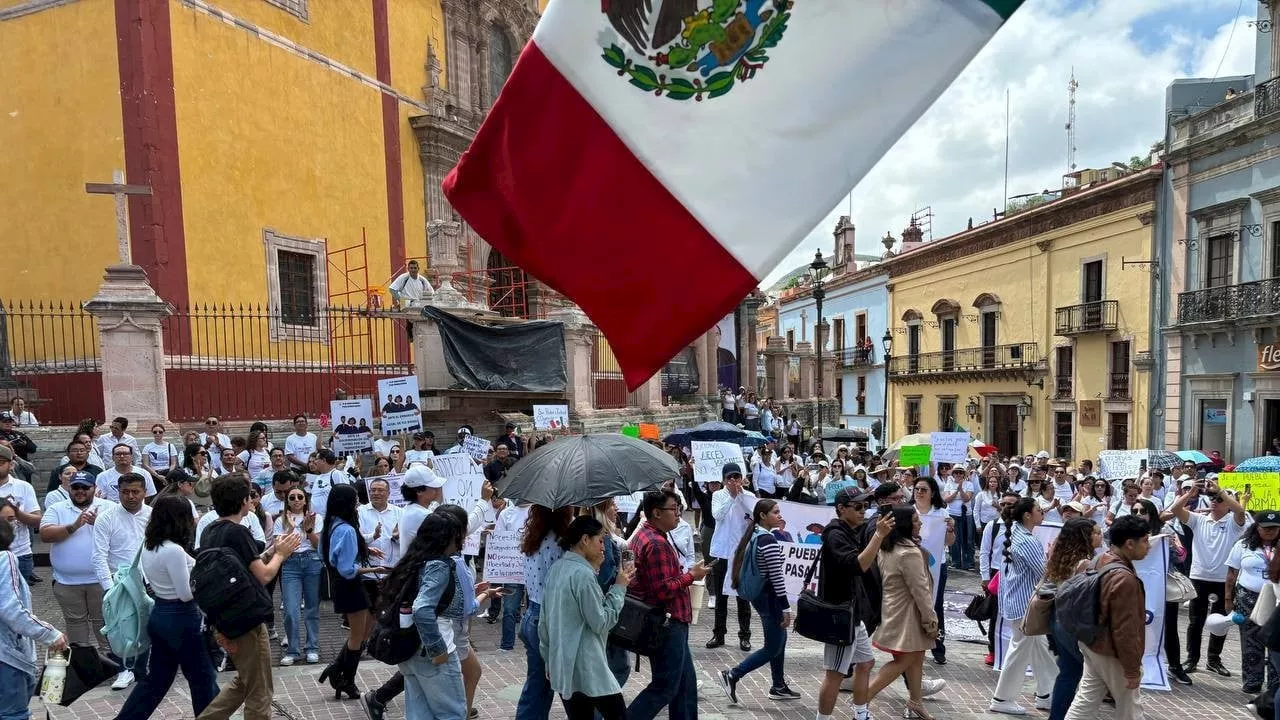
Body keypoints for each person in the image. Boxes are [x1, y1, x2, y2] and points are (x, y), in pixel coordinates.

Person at [196, 474, 301, 720]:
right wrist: (282, 555)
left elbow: (245, 570)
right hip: (247, 620)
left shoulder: (211, 530)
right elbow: (264, 576)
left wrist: (272, 550)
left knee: (245, 680)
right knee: (260, 690)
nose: (253, 500)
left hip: (225, 616)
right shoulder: (238, 532)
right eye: (250, 496)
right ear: (244, 501)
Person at [114, 495, 219, 719]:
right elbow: (185, 594)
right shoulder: (173, 551)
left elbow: (185, 569)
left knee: (157, 679)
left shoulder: (150, 546)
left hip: (160, 614)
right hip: (182, 618)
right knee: (203, 678)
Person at [626, 490, 713, 720]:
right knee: (665, 686)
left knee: (685, 686)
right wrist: (690, 576)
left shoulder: (645, 535)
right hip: (667, 622)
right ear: (656, 513)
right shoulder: (656, 544)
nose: (678, 515)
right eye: (673, 509)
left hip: (668, 621)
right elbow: (662, 589)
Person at [539, 516, 632, 720]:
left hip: (564, 664)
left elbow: (544, 624)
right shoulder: (582, 574)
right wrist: (619, 588)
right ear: (585, 539)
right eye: (600, 541)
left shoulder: (557, 569)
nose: (603, 548)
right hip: (589, 667)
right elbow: (600, 622)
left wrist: (549, 660)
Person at [815, 489, 895, 720]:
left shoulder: (850, 530)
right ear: (842, 508)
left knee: (866, 662)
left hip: (853, 612)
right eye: (857, 507)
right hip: (840, 614)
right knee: (835, 674)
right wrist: (878, 536)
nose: (863, 511)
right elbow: (859, 565)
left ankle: (861, 714)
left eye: (865, 506)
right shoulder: (835, 535)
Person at [1064, 515, 1151, 720]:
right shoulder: (1124, 579)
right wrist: (1131, 670)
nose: (1149, 546)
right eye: (1145, 540)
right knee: (1131, 709)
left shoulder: (1099, 560)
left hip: (1091, 642)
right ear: (1129, 544)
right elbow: (1125, 629)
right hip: (1111, 651)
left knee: (1085, 702)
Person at [716, 499, 800, 705]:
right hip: (770, 599)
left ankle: (778, 685)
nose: (779, 515)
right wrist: (786, 607)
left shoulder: (755, 535)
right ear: (763, 516)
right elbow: (777, 578)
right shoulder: (767, 540)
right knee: (772, 647)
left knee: (779, 641)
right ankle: (733, 675)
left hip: (763, 598)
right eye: (775, 512)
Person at [1169, 477, 1248, 677]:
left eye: (1218, 499)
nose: (1214, 500)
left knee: (1220, 622)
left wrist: (1221, 491)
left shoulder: (1233, 522)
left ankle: (1214, 659)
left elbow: (1240, 511)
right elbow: (1176, 510)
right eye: (1211, 498)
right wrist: (1190, 493)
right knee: (1196, 621)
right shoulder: (1198, 519)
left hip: (1223, 580)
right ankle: (1192, 659)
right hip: (1199, 577)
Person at [866, 505, 937, 720]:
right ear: (906, 524)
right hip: (908, 614)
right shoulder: (908, 552)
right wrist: (930, 619)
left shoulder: (888, 547)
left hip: (895, 610)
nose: (920, 523)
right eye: (915, 521)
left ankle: (916, 702)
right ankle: (864, 697)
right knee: (906, 659)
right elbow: (920, 590)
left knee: (916, 658)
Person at [989, 497, 1057, 715]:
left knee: (1040, 647)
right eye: (1038, 510)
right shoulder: (1027, 540)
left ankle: (1047, 693)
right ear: (1028, 515)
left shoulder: (1016, 533)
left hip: (1019, 601)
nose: (1042, 512)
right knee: (1020, 650)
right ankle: (1002, 698)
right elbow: (1045, 573)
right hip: (1026, 604)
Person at [0, 515, 68, 720]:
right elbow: (11, 609)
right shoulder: (5, 558)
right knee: (14, 714)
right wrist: (50, 634)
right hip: (6, 657)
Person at [319, 484, 382, 700]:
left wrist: (363, 549)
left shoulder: (331, 526)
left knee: (363, 632)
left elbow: (326, 555)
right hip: (350, 585)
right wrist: (373, 568)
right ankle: (348, 681)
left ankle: (336, 669)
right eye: (355, 499)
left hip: (343, 585)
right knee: (357, 636)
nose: (358, 503)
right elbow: (347, 569)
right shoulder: (346, 529)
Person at [92, 472, 153, 690]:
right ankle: (123, 670)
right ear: (118, 492)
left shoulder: (153, 516)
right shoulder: (106, 518)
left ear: (145, 492)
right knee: (119, 629)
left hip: (148, 582)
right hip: (118, 584)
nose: (130, 496)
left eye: (135, 492)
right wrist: (110, 589)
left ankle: (141, 670)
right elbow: (98, 556)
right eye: (125, 492)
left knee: (145, 627)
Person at [38, 471, 112, 651]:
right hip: (67, 582)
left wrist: (99, 524)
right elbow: (45, 535)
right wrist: (74, 525)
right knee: (75, 624)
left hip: (101, 580)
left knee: (104, 623)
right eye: (76, 487)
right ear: (69, 488)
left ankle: (112, 662)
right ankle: (83, 664)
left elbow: (122, 538)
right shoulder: (57, 508)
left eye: (85, 487)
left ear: (94, 488)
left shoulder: (110, 507)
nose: (80, 491)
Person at [515, 505, 573, 720]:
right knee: (571, 688)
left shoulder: (535, 539)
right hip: (550, 618)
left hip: (532, 613)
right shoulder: (560, 544)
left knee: (538, 686)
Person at [1045, 518, 1103, 720]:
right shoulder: (1085, 562)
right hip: (1072, 622)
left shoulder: (1061, 556)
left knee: (1068, 672)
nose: (1100, 535)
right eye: (1096, 532)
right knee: (1079, 673)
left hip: (1058, 618)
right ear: (1085, 536)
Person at [1226, 512, 1280, 695]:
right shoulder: (1243, 545)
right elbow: (1232, 572)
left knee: (1275, 640)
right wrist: (1228, 598)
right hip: (1247, 598)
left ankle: (1275, 682)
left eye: (1274, 528)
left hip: (1276, 599)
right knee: (1250, 640)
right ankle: (1252, 680)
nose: (1270, 532)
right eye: (1265, 528)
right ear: (1256, 527)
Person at [708, 462, 755, 651]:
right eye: (729, 478)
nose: (733, 481)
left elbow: (754, 520)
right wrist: (732, 497)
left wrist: (742, 497)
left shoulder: (750, 497)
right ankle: (718, 634)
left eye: (736, 477)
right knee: (721, 597)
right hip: (721, 550)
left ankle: (745, 635)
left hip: (741, 553)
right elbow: (717, 515)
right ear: (724, 480)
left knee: (742, 596)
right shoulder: (718, 495)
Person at [274, 487, 322, 666]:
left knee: (311, 608)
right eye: (292, 497)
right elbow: (279, 546)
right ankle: (292, 650)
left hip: (312, 561)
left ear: (305, 499)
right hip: (290, 563)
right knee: (290, 610)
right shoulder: (281, 521)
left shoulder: (316, 517)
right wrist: (291, 528)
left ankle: (312, 648)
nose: (296, 500)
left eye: (299, 497)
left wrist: (309, 531)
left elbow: (319, 546)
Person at [0, 445, 41, 584]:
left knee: (19, 600)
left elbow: (37, 521)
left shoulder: (23, 487)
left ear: (11, 464)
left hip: (20, 554)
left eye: (1, 462)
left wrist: (17, 513)